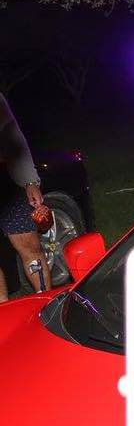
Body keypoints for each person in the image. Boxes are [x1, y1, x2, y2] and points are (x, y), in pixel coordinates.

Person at [0, 92, 50, 301]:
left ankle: (46, 305)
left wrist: (29, 180)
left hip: (5, 181)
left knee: (29, 246)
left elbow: (11, 132)